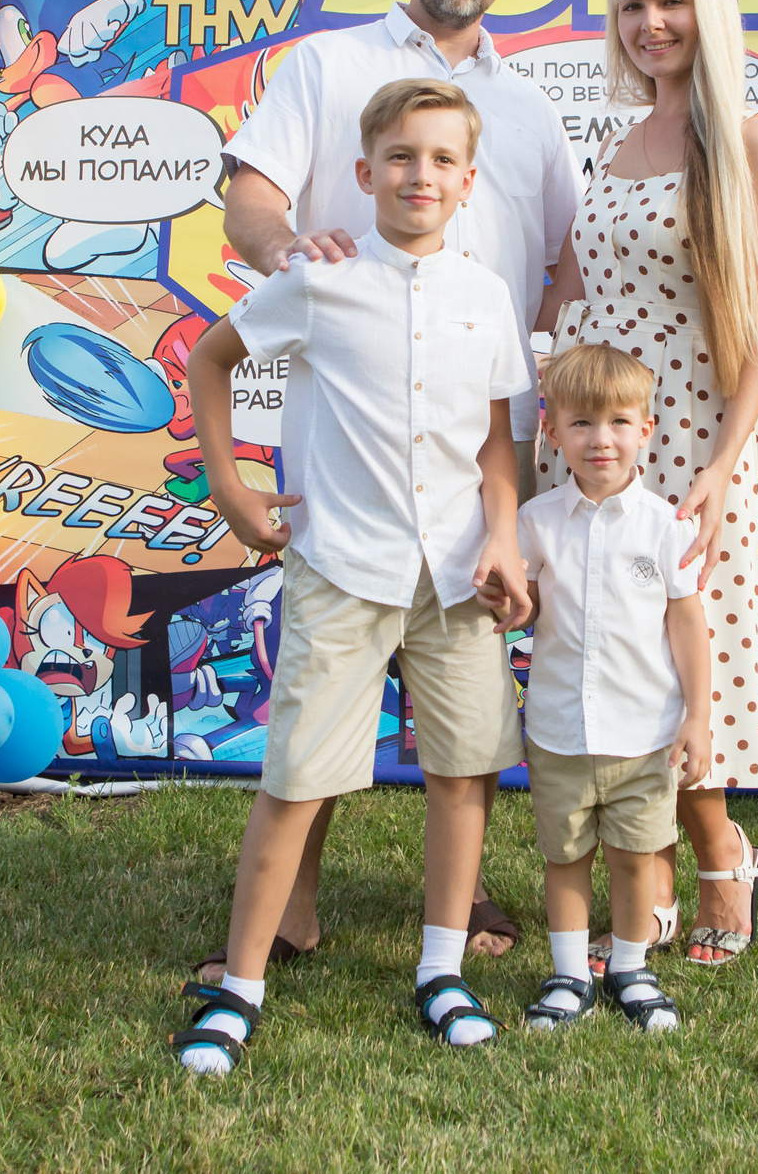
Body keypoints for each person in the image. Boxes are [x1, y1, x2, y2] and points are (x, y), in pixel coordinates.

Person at [208, 0, 576, 977]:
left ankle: (447, 924)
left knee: (467, 713)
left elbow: (553, 262)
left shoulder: (525, 108)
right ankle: (291, 905)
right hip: (354, 432)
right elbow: (251, 196)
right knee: (330, 675)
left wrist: (524, 371)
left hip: (480, 445)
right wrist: (289, 260)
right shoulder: (329, 64)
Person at [171, 78, 534, 1077]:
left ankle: (441, 966)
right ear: (366, 174)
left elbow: (497, 448)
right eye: (402, 158)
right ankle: (238, 984)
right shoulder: (320, 281)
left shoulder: (487, 297)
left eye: (442, 161)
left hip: (459, 578)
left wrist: (501, 536)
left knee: (464, 773)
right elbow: (212, 358)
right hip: (342, 567)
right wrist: (229, 482)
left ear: (468, 182)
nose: (422, 175)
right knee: (296, 778)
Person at [534, 0, 758, 970]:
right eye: (633, 8)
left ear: (709, 15)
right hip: (600, 440)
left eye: (672, 5)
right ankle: (638, 891)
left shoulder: (747, 141)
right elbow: (574, 291)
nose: (651, 25)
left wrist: (725, 463)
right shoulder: (613, 142)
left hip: (695, 436)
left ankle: (720, 857)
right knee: (610, 653)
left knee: (693, 659)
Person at [514, 344, 711, 1034]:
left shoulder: (665, 526)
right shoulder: (537, 522)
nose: (602, 439)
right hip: (560, 729)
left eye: (620, 422)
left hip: (645, 733)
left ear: (647, 430)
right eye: (582, 423)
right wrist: (513, 601)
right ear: (554, 431)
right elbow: (526, 604)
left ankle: (630, 966)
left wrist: (698, 717)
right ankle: (569, 974)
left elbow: (687, 622)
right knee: (564, 856)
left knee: (635, 857)